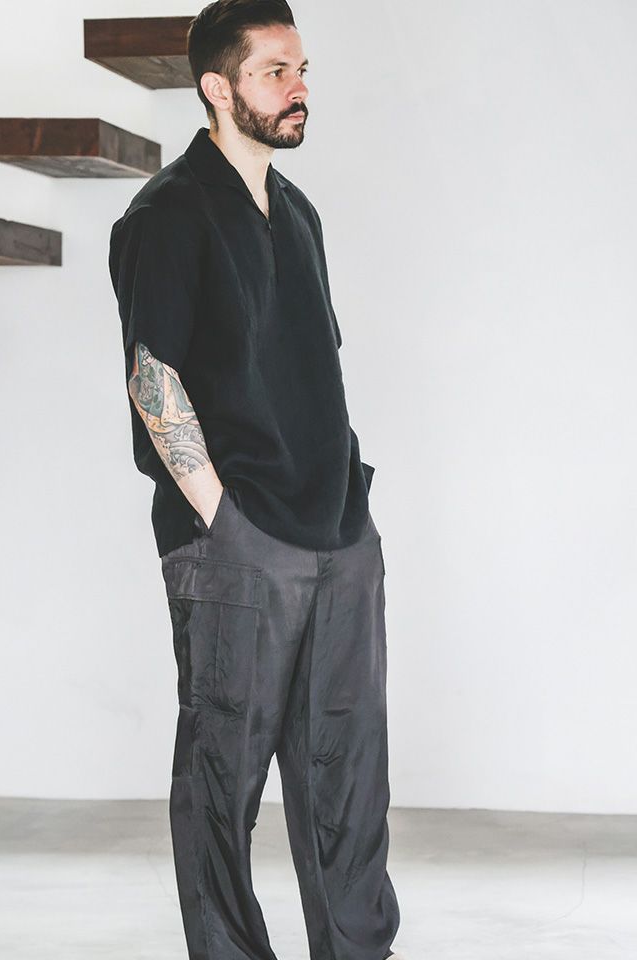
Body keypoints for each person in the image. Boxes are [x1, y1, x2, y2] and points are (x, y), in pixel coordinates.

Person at [108, 2, 401, 957]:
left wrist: (352, 506)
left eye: (302, 69)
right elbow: (154, 377)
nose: (299, 87)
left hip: (339, 533)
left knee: (348, 775)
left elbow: (312, 366)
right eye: (276, 71)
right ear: (216, 87)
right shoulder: (166, 214)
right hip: (238, 546)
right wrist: (224, 520)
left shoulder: (299, 212)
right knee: (221, 781)